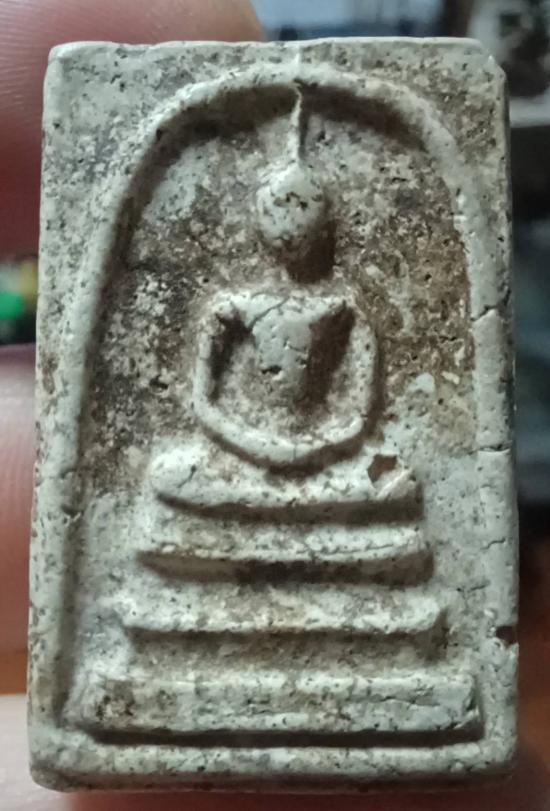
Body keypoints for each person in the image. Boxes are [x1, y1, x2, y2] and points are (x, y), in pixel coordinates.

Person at [0, 1, 548, 807]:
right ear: (261, 225)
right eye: (281, 214)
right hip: (238, 455)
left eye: (305, 215)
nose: (293, 230)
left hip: (328, 457)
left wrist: (320, 447)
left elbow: (360, 406)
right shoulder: (231, 308)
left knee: (392, 482)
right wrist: (253, 446)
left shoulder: (343, 310)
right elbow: (205, 400)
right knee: (174, 476)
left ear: (323, 226)